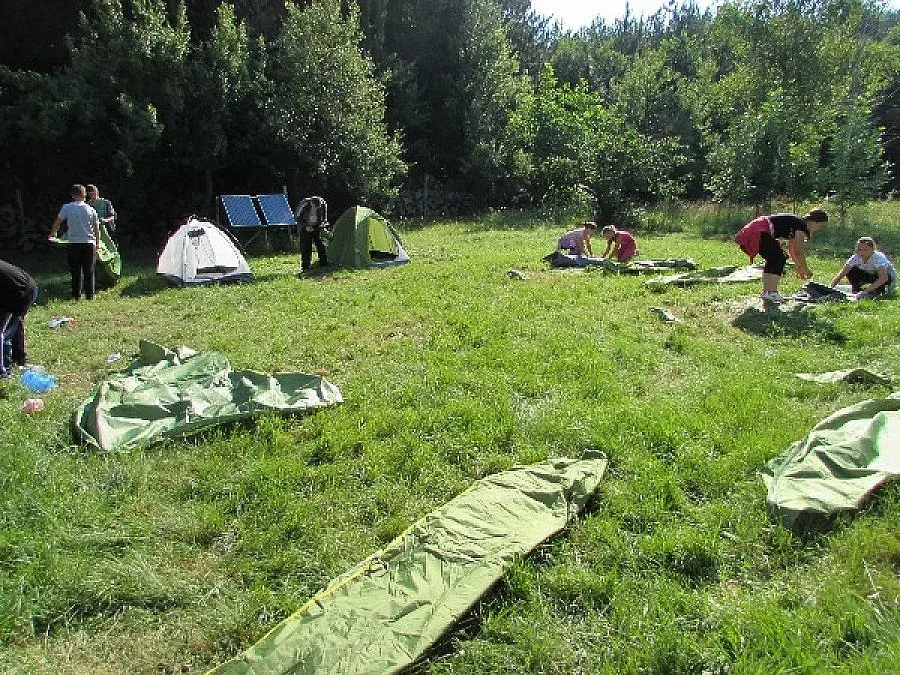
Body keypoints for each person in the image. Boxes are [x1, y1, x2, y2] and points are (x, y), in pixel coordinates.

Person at [733, 208, 829, 303]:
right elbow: (799, 251)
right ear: (815, 222)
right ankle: (771, 292)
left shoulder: (796, 224)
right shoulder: (801, 226)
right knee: (778, 258)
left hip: (757, 228)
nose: (819, 229)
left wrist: (799, 267)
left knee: (776, 258)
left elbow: (791, 250)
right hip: (760, 230)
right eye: (820, 226)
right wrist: (805, 269)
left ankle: (767, 292)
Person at [49, 183, 101, 300]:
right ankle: (90, 295)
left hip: (74, 243)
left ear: (73, 195)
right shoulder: (91, 209)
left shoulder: (67, 207)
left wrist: (53, 234)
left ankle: (76, 295)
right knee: (89, 270)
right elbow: (97, 230)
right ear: (84, 195)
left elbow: (58, 222)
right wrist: (97, 244)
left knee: (75, 270)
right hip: (89, 243)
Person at [0, 259, 38, 379]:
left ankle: (3, 372)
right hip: (18, 289)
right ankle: (19, 358)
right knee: (13, 324)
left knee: (4, 332)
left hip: (20, 292)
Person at [830, 236, 896, 299]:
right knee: (851, 270)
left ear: (872, 249)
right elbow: (842, 273)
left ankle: (876, 291)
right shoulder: (856, 257)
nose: (862, 252)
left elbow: (883, 278)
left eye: (865, 250)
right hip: (869, 274)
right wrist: (831, 287)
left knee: (879, 292)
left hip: (885, 277)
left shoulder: (878, 257)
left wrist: (865, 292)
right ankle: (856, 290)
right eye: (859, 249)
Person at [294, 195, 329, 272]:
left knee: (321, 245)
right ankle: (305, 268)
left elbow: (324, 218)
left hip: (317, 227)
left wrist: (323, 223)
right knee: (306, 247)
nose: (316, 209)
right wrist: (306, 226)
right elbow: (297, 217)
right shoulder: (304, 204)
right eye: (315, 207)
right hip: (305, 227)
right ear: (311, 203)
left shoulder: (323, 204)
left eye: (318, 208)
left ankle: (323, 265)